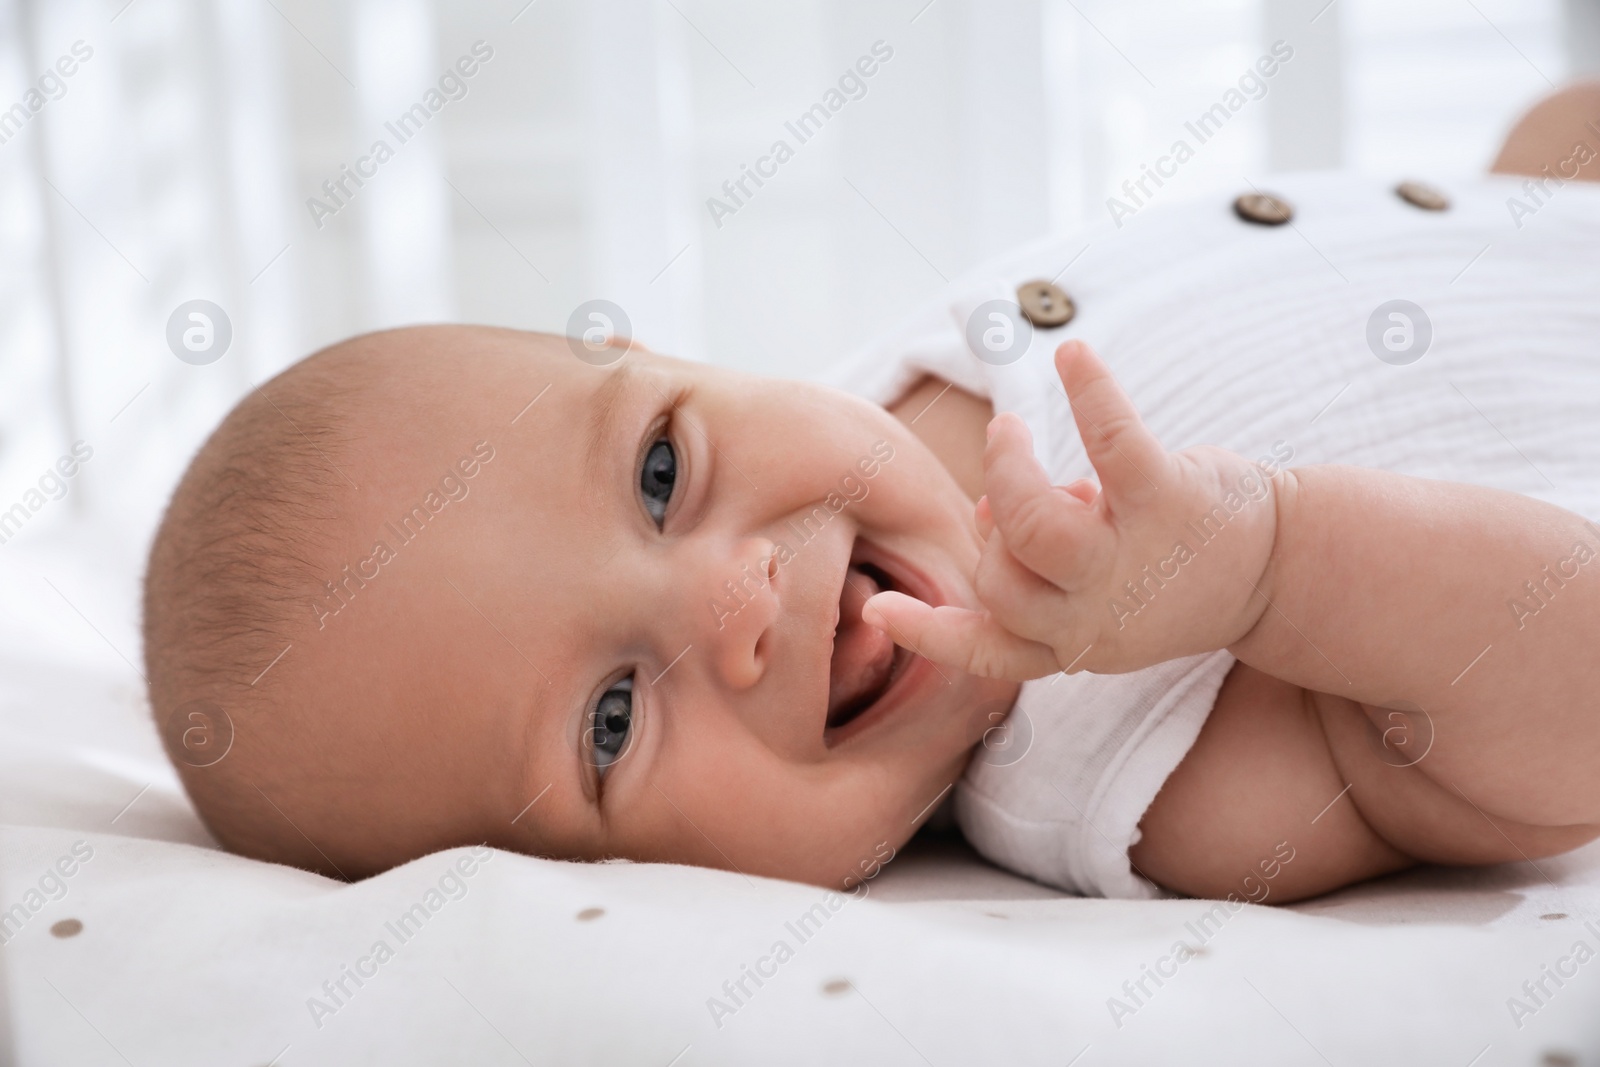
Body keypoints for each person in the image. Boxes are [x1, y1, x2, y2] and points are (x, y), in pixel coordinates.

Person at [142, 85, 1600, 902]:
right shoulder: (1135, 776)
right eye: (612, 719)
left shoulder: (882, 381)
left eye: (660, 471)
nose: (737, 598)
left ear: (655, 355)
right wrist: (1276, 569)